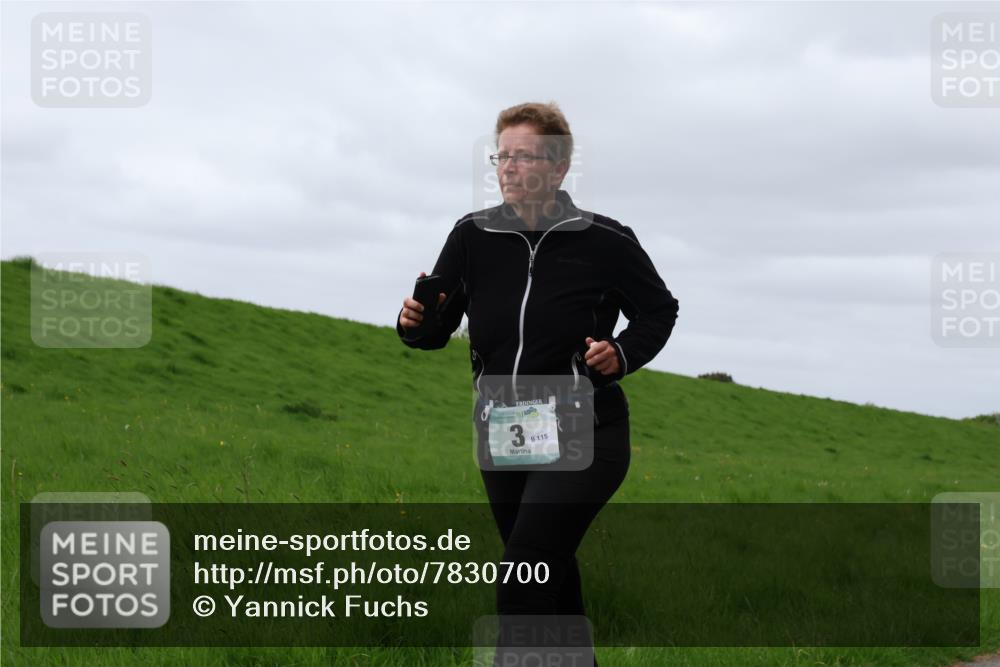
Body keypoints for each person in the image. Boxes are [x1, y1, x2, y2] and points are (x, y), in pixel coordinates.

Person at [396, 102, 679, 666]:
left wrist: (620, 352)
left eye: (524, 156)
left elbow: (659, 311)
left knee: (523, 573)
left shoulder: (606, 241)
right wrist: (414, 324)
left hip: (586, 430)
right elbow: (435, 328)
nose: (508, 167)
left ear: (558, 167)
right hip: (504, 432)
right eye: (502, 155)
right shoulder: (471, 236)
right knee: (548, 575)